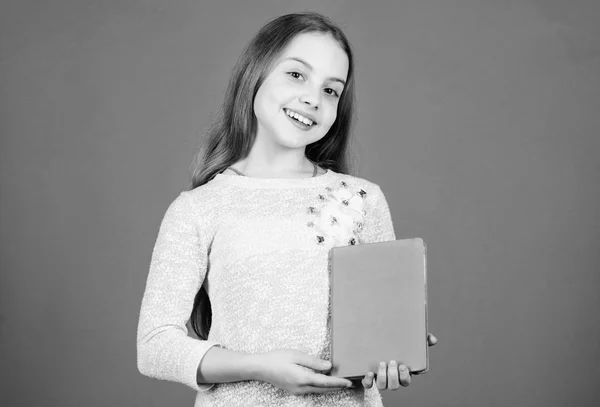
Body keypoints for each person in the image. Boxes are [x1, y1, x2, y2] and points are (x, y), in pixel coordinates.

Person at [137, 11, 437, 407]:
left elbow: (382, 329)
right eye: (296, 75)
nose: (313, 98)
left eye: (332, 90)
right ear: (255, 74)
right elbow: (155, 346)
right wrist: (259, 366)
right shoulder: (199, 209)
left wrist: (397, 348)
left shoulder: (362, 199)